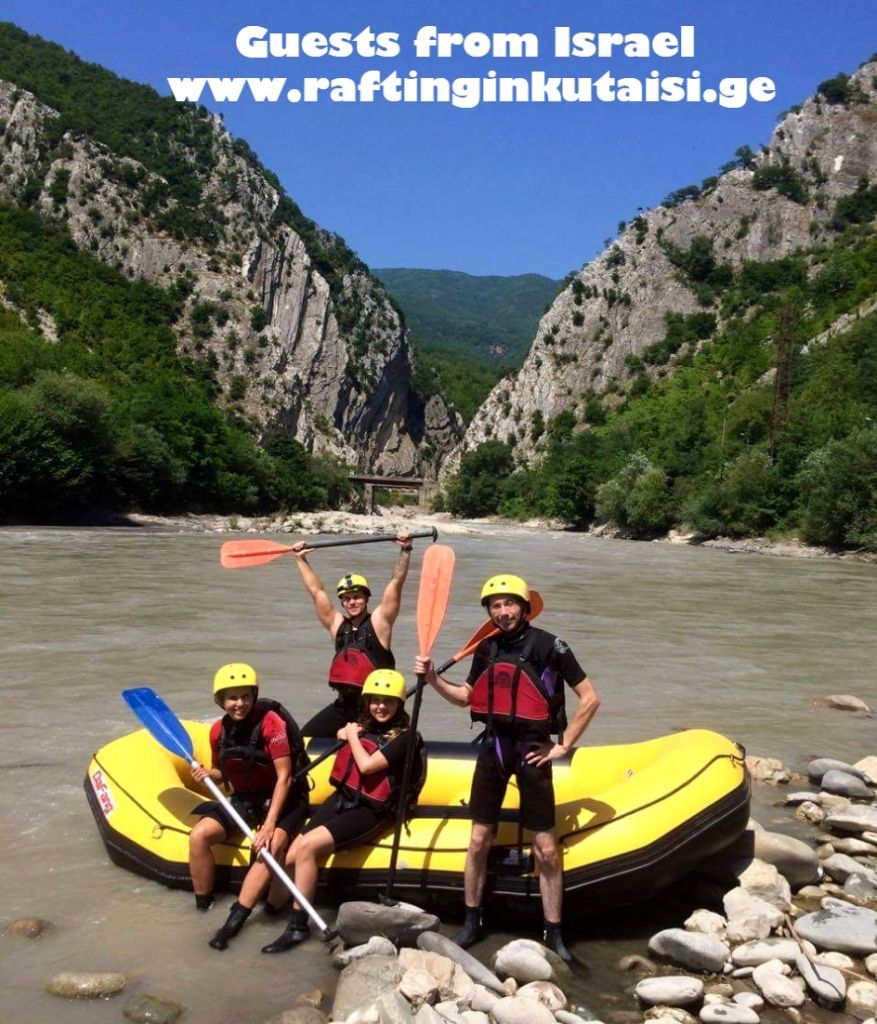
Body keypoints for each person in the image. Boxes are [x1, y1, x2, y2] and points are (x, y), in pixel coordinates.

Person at [415, 574, 600, 963]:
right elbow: (466, 698)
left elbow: (590, 698)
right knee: (479, 840)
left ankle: (553, 932)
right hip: (495, 747)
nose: (503, 611)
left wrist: (562, 746)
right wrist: (433, 679)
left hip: (534, 750)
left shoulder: (552, 646)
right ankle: (471, 922)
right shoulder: (487, 648)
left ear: (525, 607)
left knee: (546, 849)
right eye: (495, 605)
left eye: (509, 603)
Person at [261, 668, 423, 953]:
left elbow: (368, 766)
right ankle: (271, 912)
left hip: (372, 809)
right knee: (294, 850)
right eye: (375, 700)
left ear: (400, 704)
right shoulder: (363, 727)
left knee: (309, 846)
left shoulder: (406, 737)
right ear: (366, 702)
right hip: (344, 797)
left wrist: (351, 736)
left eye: (388, 701)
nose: (381, 707)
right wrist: (348, 732)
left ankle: (299, 925)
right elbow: (340, 734)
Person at [187, 663, 310, 951]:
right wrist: (208, 774)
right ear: (220, 701)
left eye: (245, 696)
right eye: (231, 698)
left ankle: (235, 920)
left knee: (270, 844)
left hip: (286, 798)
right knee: (199, 836)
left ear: (254, 696)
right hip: (247, 798)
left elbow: (285, 777)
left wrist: (269, 824)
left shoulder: (271, 725)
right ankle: (202, 905)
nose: (239, 703)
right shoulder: (218, 731)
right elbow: (224, 773)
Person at [290, 531, 413, 737]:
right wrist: (301, 559)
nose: (352, 602)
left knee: (356, 740)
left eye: (356, 597)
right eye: (346, 599)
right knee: (304, 738)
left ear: (366, 599)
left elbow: (396, 583)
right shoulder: (337, 625)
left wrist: (405, 550)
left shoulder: (380, 622)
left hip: (376, 709)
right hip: (343, 707)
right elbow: (317, 592)